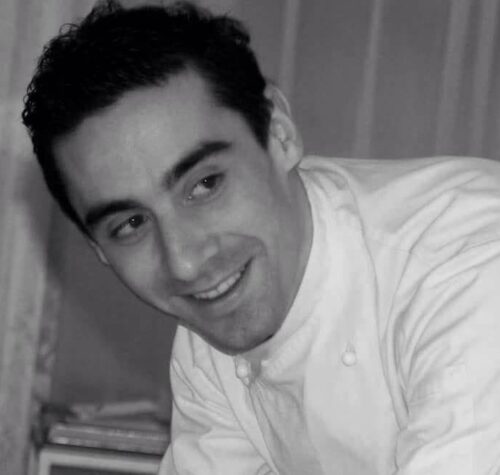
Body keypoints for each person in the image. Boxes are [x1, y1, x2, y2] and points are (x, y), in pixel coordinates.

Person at [22, 1, 500, 473]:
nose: (185, 262)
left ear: (279, 134)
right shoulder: (212, 340)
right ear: (99, 250)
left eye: (205, 184)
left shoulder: (467, 266)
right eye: (131, 225)